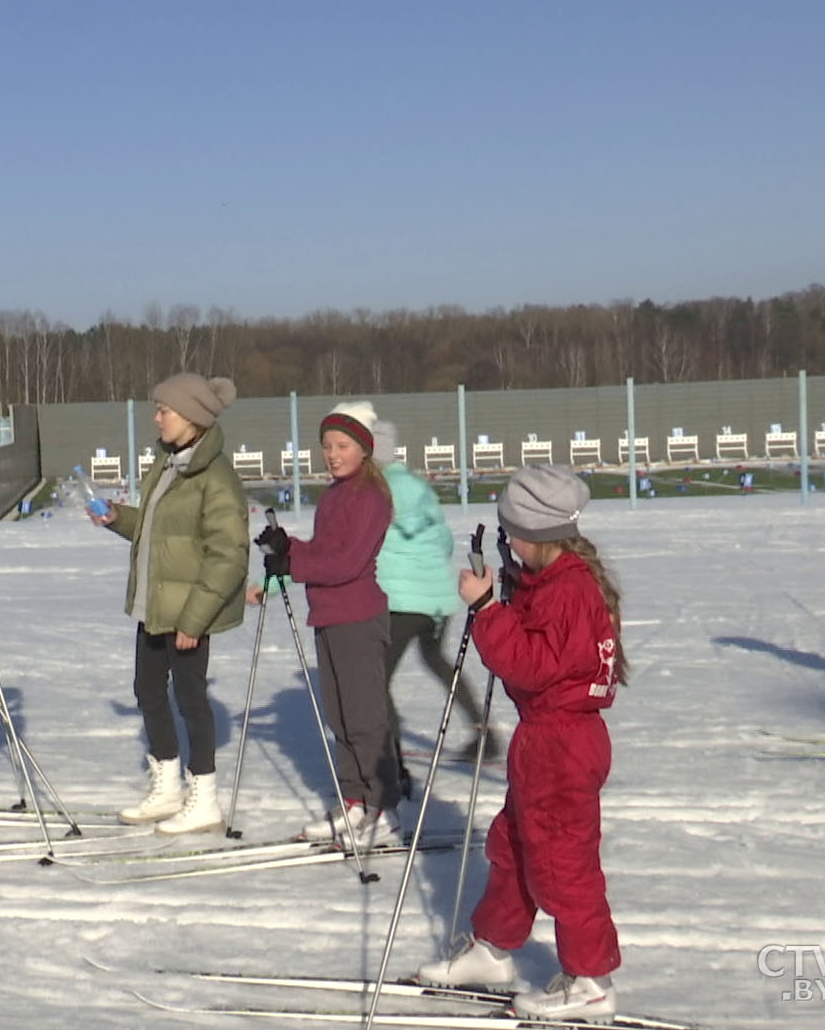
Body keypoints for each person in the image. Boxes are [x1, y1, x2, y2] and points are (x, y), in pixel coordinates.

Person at [416, 463, 626, 1020]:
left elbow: (531, 665)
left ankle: (589, 981)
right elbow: (537, 645)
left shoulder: (570, 590)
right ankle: (493, 948)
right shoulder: (557, 579)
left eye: (511, 532)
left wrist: (487, 612)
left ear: (538, 533)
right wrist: (505, 594)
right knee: (514, 848)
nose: (506, 539)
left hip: (562, 743)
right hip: (547, 741)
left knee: (562, 865)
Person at [91, 373, 250, 834]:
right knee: (148, 691)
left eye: (165, 410)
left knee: (190, 699)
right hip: (153, 607)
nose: (156, 417)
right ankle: (168, 787)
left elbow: (229, 554)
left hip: (187, 613)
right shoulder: (167, 464)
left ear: (192, 418)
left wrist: (195, 618)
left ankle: (205, 799)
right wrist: (119, 518)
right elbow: (161, 530)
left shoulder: (215, 477)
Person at [249, 401, 396, 848]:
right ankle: (354, 802)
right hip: (330, 616)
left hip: (358, 616)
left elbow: (346, 562)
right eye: (327, 446)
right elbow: (323, 550)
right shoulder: (335, 494)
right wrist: (287, 545)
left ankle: (383, 809)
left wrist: (292, 563)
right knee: (340, 716)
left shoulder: (371, 497)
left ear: (364, 450)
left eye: (343, 445)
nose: (333, 454)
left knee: (365, 718)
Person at [368, 420, 496, 793]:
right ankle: (483, 731)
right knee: (437, 660)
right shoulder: (416, 486)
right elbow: (440, 540)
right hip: (439, 598)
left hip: (403, 600)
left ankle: (393, 770)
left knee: (376, 681)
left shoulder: (376, 490)